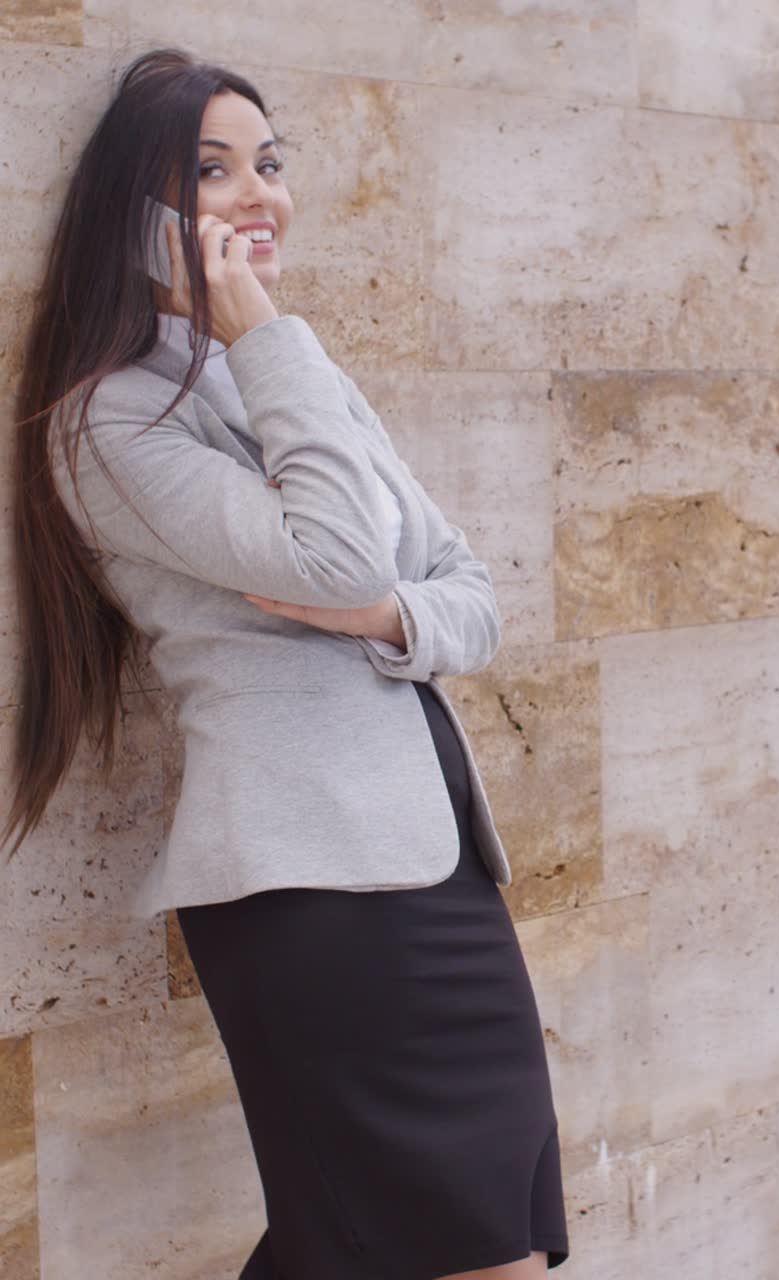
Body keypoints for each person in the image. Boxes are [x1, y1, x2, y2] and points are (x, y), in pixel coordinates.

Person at [4, 47, 569, 1280]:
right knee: (450, 1251)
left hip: (439, 870)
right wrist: (263, 336)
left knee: (398, 1245)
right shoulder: (108, 419)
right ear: (135, 211)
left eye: (270, 163)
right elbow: (338, 551)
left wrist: (383, 621)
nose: (258, 193)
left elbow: (471, 596)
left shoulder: (293, 378)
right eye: (210, 171)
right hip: (314, 888)